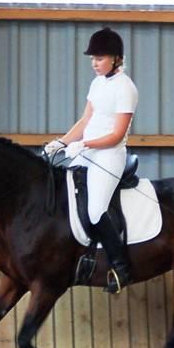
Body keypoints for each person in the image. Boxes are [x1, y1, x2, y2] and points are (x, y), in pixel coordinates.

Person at [44, 27, 138, 294]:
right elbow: (86, 121)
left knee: (96, 209)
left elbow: (117, 134)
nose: (95, 63)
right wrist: (61, 142)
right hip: (85, 152)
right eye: (93, 59)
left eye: (99, 58)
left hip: (109, 156)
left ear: (116, 59)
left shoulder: (125, 88)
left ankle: (121, 267)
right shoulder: (97, 84)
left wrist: (84, 144)